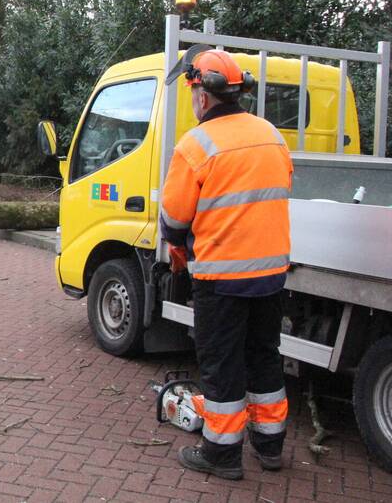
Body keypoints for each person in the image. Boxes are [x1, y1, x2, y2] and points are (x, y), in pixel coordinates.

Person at [160, 47, 293, 481]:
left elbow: (175, 218)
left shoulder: (196, 144)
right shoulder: (272, 134)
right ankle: (270, 447)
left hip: (221, 277)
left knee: (222, 365)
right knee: (264, 357)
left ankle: (221, 455)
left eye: (194, 90)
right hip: (271, 275)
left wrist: (181, 244)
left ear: (203, 93)